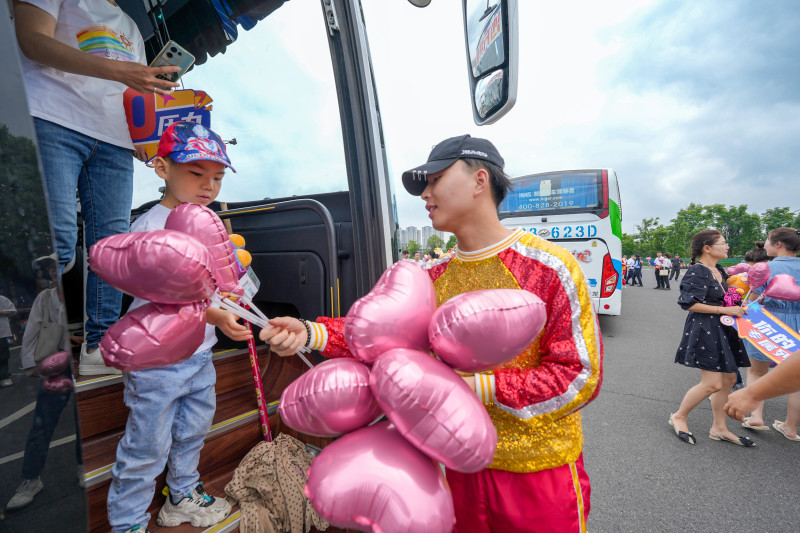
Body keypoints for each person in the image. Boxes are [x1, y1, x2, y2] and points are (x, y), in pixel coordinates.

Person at [261, 134, 603, 532]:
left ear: (479, 181)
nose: (425, 194)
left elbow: (579, 375)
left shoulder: (549, 267)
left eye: (436, 180)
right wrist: (309, 333)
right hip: (455, 469)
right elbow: (384, 341)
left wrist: (477, 388)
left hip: (539, 473)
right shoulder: (429, 278)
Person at [14, 0, 181, 376]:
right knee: (55, 241)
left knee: (112, 250)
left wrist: (146, 137)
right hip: (52, 116)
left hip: (115, 141)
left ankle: (99, 347)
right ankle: (28, 347)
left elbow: (133, 93)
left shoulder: (131, 27)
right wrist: (121, 71)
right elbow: (31, 40)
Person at [106, 122, 250, 533]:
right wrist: (215, 315)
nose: (208, 185)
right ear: (162, 168)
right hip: (157, 363)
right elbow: (160, 296)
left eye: (218, 177)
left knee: (192, 433)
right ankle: (128, 522)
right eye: (196, 172)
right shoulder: (151, 227)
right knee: (147, 447)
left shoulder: (209, 221)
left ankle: (181, 497)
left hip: (199, 355)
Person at [5, 255, 83, 512]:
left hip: (83, 361)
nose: (53, 271)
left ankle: (83, 466)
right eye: (50, 267)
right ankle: (31, 479)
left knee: (82, 420)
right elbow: (32, 333)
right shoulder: (45, 298)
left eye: (58, 265)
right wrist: (31, 366)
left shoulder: (84, 290)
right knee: (42, 424)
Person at [669, 230, 753, 447]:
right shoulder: (697, 271)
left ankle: (719, 427)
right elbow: (689, 303)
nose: (727, 247)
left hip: (724, 328)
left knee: (729, 379)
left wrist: (738, 305)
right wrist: (724, 310)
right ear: (707, 248)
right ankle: (678, 416)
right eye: (723, 243)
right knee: (712, 383)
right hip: (705, 328)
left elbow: (724, 299)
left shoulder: (719, 269)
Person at [738, 229, 800, 439]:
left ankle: (756, 416)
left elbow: (754, 298)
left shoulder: (766, 267)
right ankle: (790, 428)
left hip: (768, 320)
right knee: (796, 378)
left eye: (767, 240)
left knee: (757, 370)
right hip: (798, 322)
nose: (764, 244)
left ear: (778, 244)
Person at [0, 293, 16, 387]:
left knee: (3, 356)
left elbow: (12, 311)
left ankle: (4, 377)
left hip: (1, 333)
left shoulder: (1, 299)